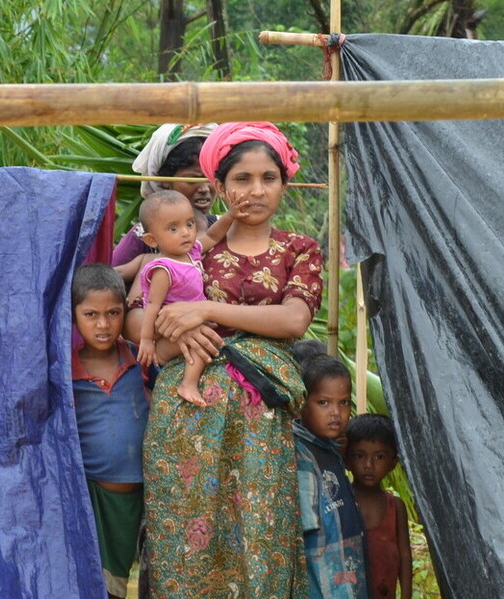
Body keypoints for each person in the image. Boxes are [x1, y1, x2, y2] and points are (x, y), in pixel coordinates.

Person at [132, 121, 321, 598]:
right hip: (183, 420)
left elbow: (293, 320)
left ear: (284, 184)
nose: (255, 191)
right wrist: (182, 331)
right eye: (241, 179)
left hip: (259, 426)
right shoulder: (190, 251)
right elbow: (136, 325)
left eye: (268, 178)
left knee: (261, 536)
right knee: (185, 545)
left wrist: (206, 311)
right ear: (218, 186)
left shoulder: (299, 251)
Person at [69, 264, 148, 598]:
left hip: (145, 498)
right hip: (93, 500)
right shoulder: (66, 373)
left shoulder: (141, 359)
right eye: (90, 314)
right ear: (73, 317)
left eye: (113, 313)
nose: (103, 324)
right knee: (102, 587)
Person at [131, 190, 232, 404]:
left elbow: (213, 236)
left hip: (192, 323)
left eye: (189, 224)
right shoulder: (163, 269)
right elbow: (152, 305)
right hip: (173, 334)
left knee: (204, 342)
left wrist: (231, 216)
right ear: (151, 239)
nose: (185, 233)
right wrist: (147, 340)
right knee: (202, 344)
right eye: (173, 228)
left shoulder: (191, 252)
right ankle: (188, 384)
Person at [295, 355, 367, 598]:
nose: (336, 413)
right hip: (321, 579)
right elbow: (302, 534)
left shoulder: (331, 450)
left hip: (346, 573)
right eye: (324, 402)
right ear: (302, 403)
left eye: (344, 402)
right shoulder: (300, 456)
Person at [113, 123, 220, 281]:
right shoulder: (144, 235)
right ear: (166, 181)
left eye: (209, 178)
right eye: (192, 180)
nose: (204, 188)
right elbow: (108, 281)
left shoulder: (225, 227)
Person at [347, 414, 411, 599]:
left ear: (393, 462)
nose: (369, 465)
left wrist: (406, 595)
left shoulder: (395, 507)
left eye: (379, 456)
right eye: (360, 455)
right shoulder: (341, 501)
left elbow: (405, 556)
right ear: (347, 460)